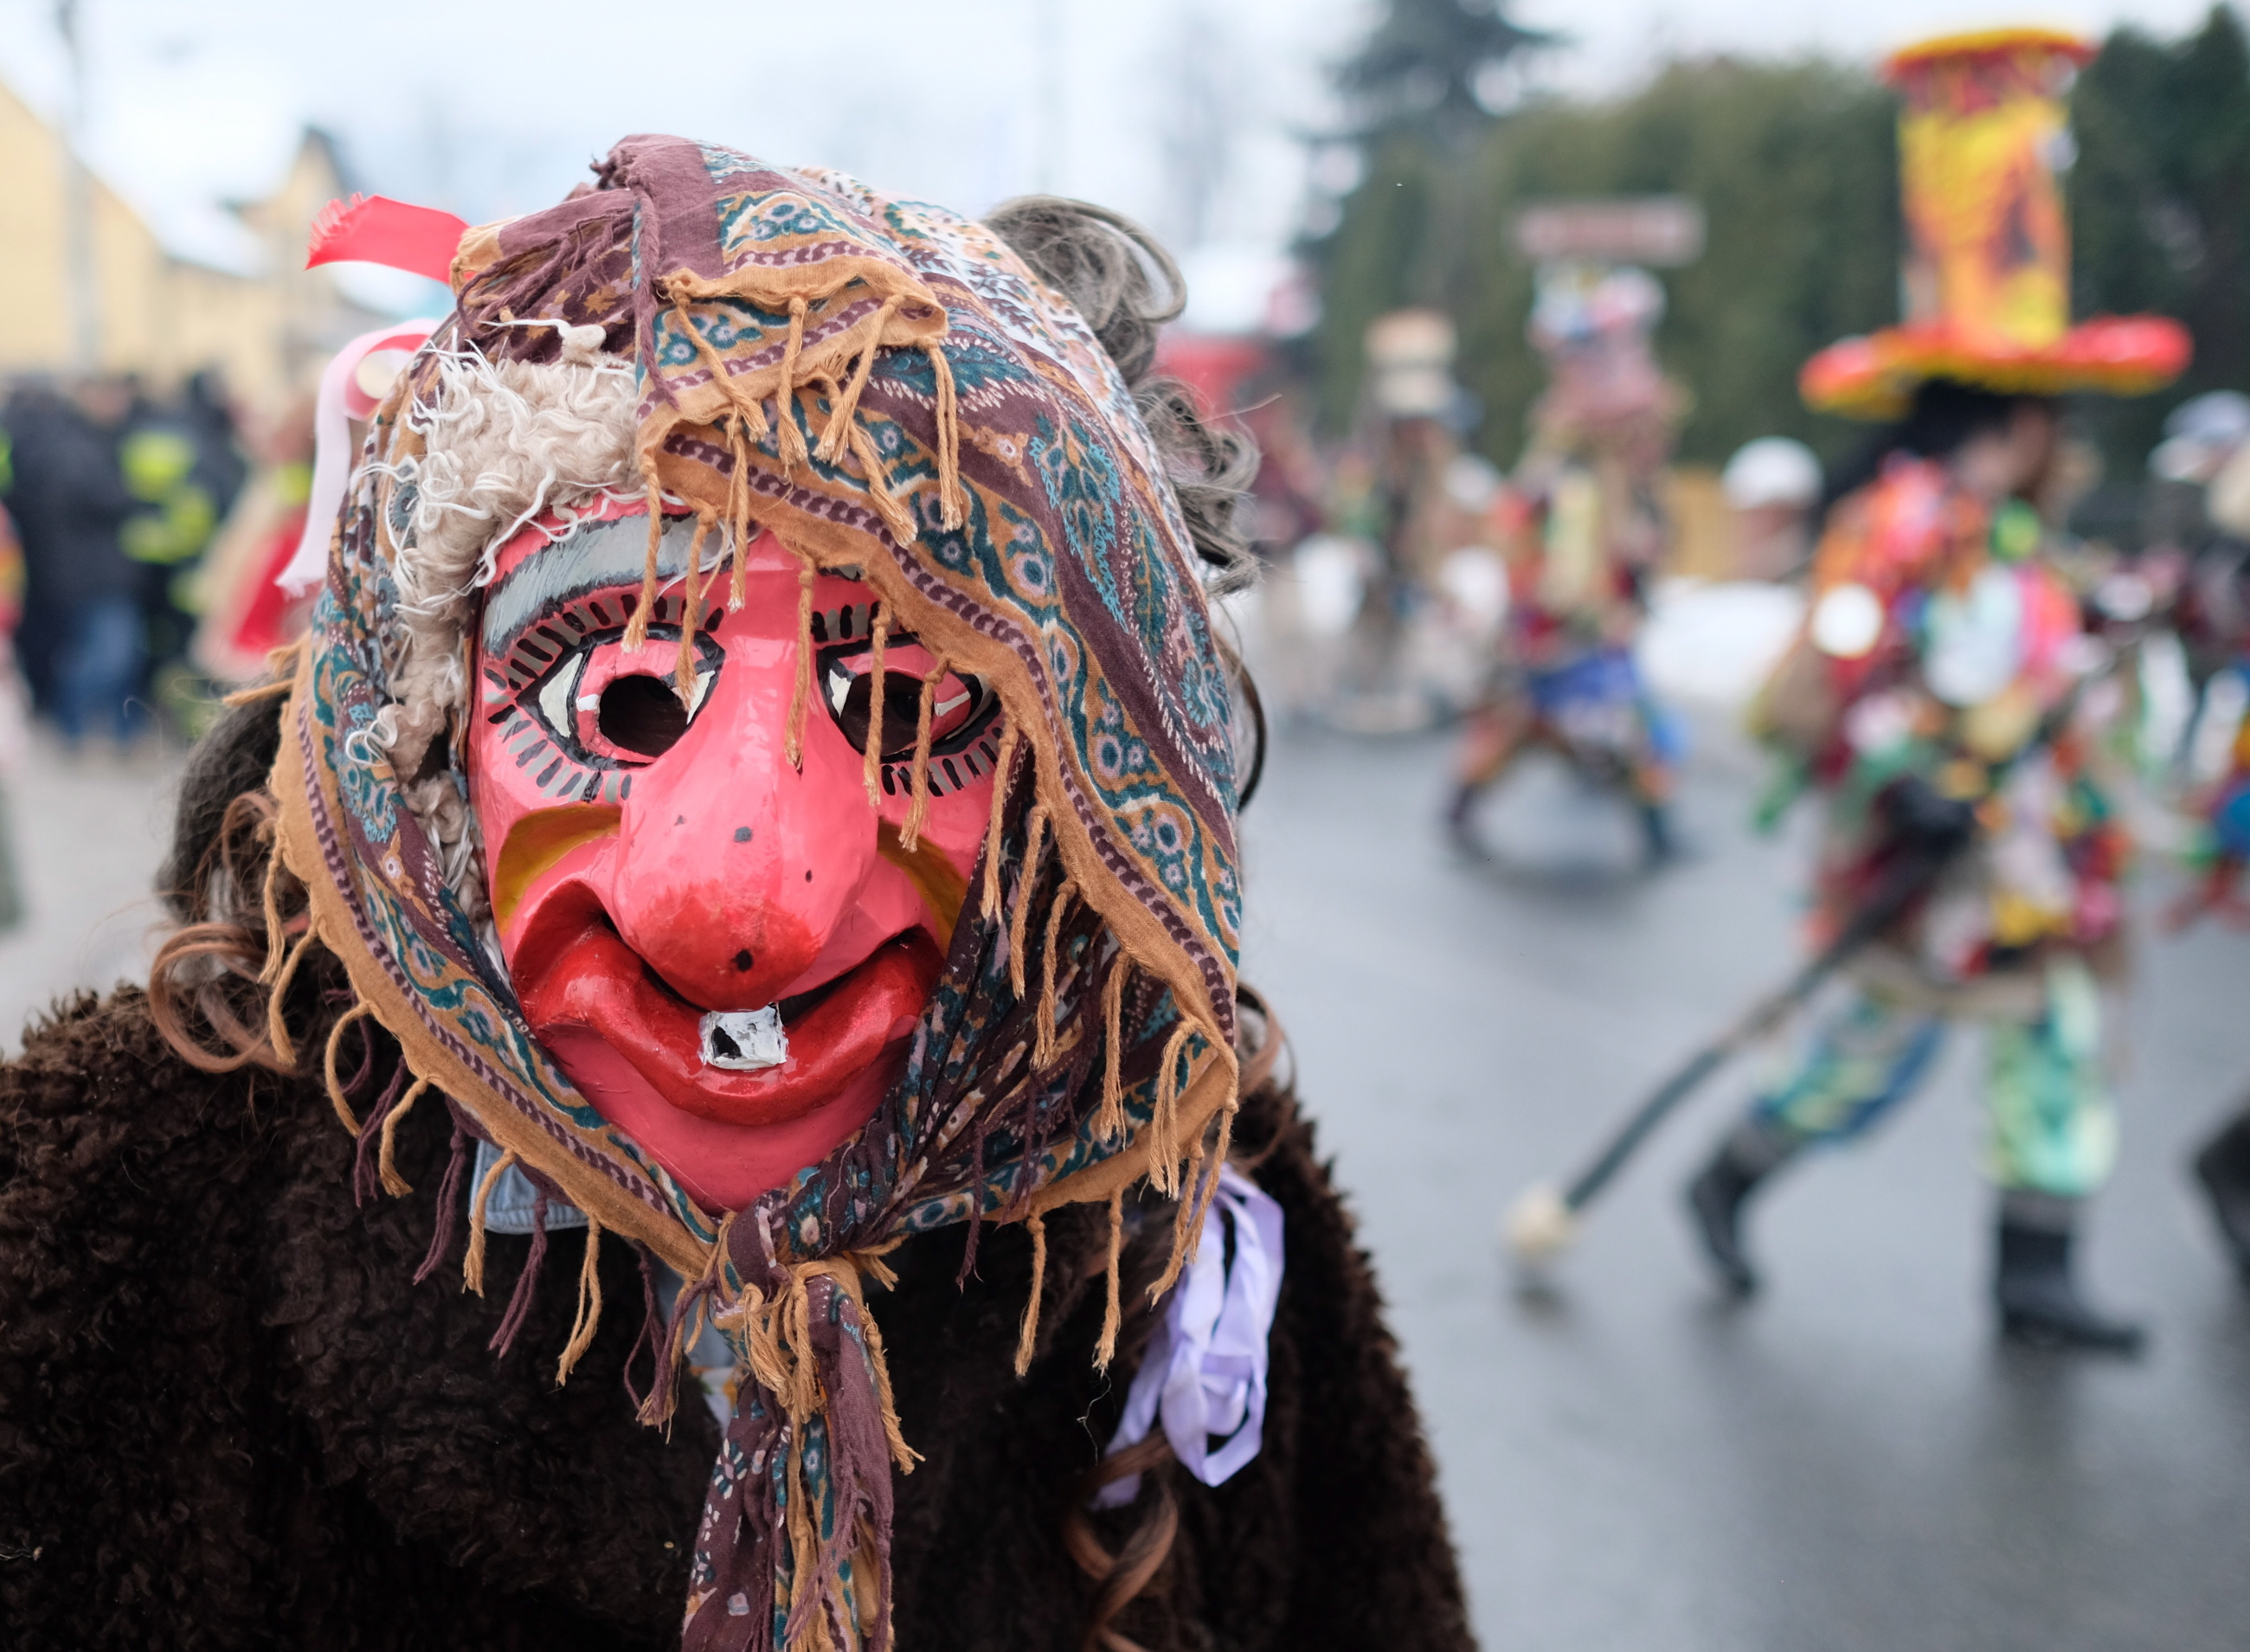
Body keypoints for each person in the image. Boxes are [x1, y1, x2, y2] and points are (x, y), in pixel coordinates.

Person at [0, 144, 1473, 1650]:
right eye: (624, 693)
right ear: (423, 742)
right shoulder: (122, 1208)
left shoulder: (1186, 1215)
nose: (744, 904)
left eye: (904, 709)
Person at [1681, 29, 2190, 1353]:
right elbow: (1849, 666)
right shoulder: (1897, 525)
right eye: (2052, 424)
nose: (2060, 450)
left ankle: (2036, 1268)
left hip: (2026, 857)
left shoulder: (2024, 539)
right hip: (1925, 848)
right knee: (1867, 1058)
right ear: (2014, 417)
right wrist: (1905, 781)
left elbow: (2037, 659)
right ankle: (1729, 1172)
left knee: (2056, 1045)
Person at [1446, 264, 1682, 863]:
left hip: (1596, 626)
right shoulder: (1557, 466)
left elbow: (1640, 541)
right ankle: (1462, 805)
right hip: (1550, 625)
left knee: (1624, 727)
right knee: (1522, 722)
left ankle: (1657, 829)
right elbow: (1518, 532)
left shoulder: (1625, 473)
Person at [0, 374, 148, 746]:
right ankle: (75, 725)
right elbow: (103, 501)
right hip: (91, 573)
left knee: (103, 651)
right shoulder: (74, 447)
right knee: (108, 653)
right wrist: (133, 498)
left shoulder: (72, 441)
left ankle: (100, 730)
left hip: (81, 571)